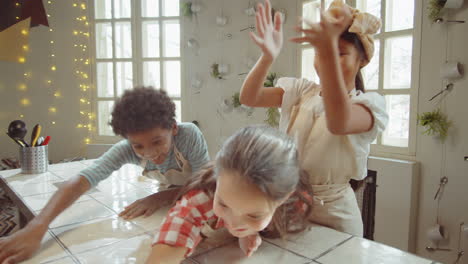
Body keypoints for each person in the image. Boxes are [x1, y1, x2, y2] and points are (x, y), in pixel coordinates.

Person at [0, 87, 210, 263]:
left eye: (157, 142)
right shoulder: (126, 148)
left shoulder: (188, 134)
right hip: (174, 196)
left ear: (173, 128)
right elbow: (81, 181)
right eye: (138, 146)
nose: (149, 153)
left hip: (202, 190)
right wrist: (37, 227)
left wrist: (159, 197)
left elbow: (203, 186)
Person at [239, 0, 388, 236]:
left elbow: (339, 122)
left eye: (339, 53)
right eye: (320, 52)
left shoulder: (369, 104)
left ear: (362, 60)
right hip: (292, 204)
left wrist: (326, 49)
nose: (327, 59)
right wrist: (267, 57)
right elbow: (250, 97)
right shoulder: (301, 91)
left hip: (336, 215)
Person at [145, 125, 313, 263]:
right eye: (223, 204)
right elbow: (175, 234)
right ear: (217, 178)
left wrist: (253, 231)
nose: (233, 223)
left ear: (284, 198)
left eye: (254, 215)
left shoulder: (297, 204)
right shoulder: (203, 196)